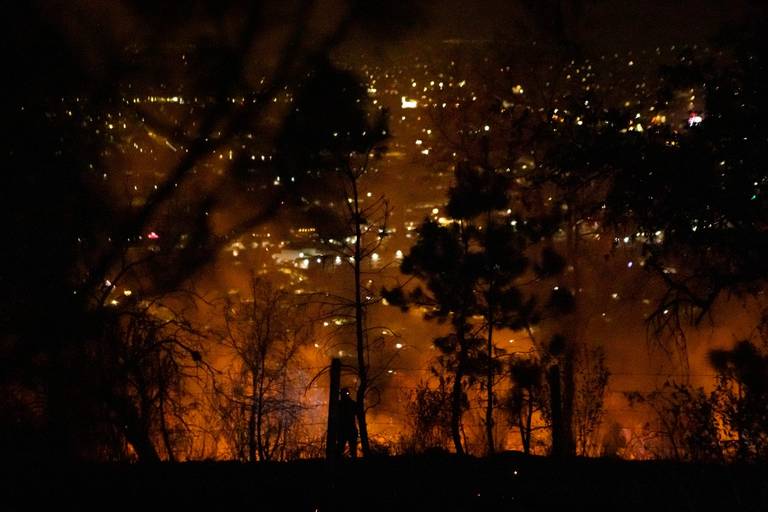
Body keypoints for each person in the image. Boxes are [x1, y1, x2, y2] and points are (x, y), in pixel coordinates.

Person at [337, 387, 358, 459]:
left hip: (344, 430)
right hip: (346, 429)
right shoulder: (351, 404)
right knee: (342, 448)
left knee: (344, 448)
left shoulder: (339, 405)